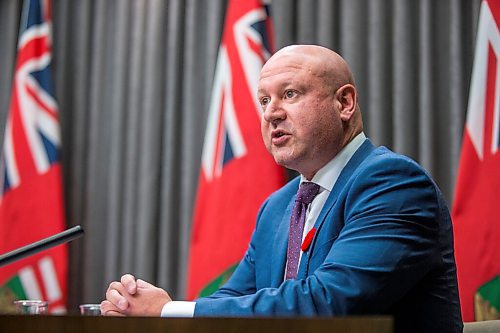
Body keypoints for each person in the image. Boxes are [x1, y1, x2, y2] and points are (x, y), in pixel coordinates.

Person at [101, 45, 463, 332]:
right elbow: (233, 298)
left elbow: (329, 303)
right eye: (263, 100)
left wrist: (168, 311)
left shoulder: (392, 184)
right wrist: (148, 309)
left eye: (289, 94)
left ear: (344, 103)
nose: (271, 113)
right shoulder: (278, 206)